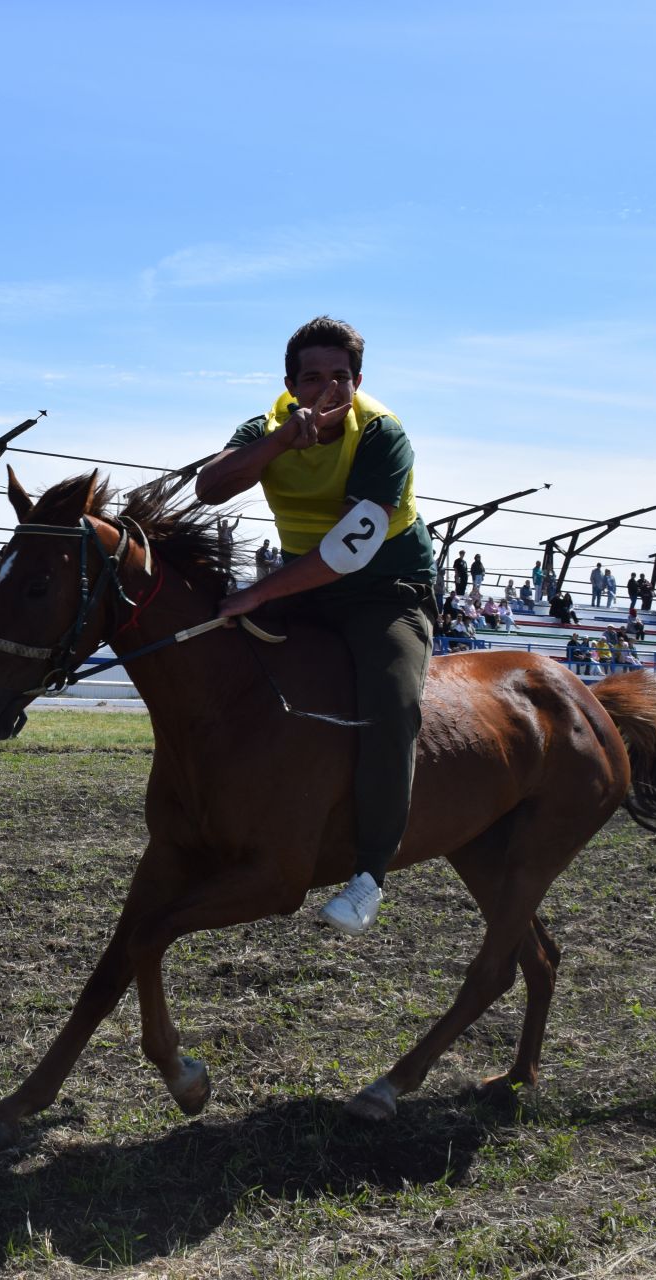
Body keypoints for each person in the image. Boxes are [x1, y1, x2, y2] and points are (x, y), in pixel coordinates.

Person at [197, 316, 436, 937]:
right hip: (306, 588)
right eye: (312, 379)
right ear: (290, 384)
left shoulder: (384, 434)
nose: (327, 391)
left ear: (358, 383)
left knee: (393, 703)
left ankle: (370, 876)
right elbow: (210, 488)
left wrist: (259, 592)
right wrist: (280, 444)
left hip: (384, 594)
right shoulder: (266, 425)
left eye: (340, 378)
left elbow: (351, 548)